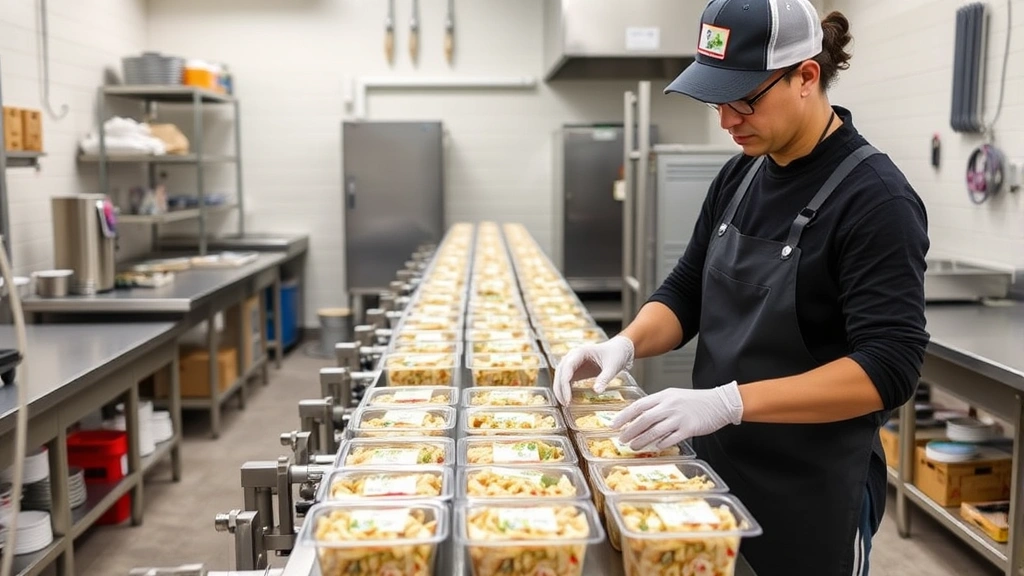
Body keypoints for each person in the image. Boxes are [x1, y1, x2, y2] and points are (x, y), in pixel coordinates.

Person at [553, 1, 930, 575]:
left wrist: (729, 402)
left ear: (806, 75)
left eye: (744, 99)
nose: (727, 120)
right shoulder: (741, 173)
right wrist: (622, 344)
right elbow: (687, 291)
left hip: (811, 497)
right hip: (715, 473)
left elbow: (889, 367)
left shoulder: (876, 200)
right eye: (716, 100)